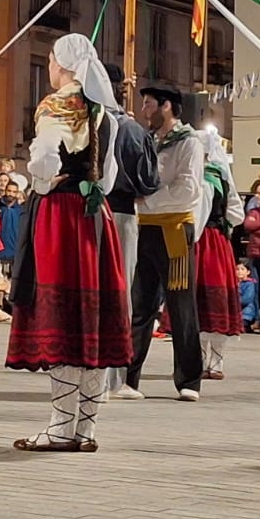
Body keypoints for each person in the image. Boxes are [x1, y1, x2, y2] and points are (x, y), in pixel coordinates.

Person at [6, 34, 131, 453]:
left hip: (60, 218)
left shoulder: (55, 106)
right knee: (90, 321)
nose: (51, 68)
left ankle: (60, 427)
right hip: (96, 218)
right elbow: (108, 177)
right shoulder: (107, 114)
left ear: (63, 64)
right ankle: (86, 429)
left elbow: (43, 159)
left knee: (61, 317)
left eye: (52, 61)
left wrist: (41, 181)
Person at [119, 83, 204, 403]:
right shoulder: (149, 140)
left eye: (150, 104)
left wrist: (146, 200)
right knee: (140, 304)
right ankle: (129, 377)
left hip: (174, 229)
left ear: (167, 106)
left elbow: (188, 189)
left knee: (181, 306)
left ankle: (189, 380)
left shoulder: (189, 142)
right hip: (146, 228)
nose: (145, 111)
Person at [100, 61, 159, 394]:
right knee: (121, 296)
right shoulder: (133, 130)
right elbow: (148, 180)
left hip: (90, 215)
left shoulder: (83, 122)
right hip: (123, 217)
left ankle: (93, 375)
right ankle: (114, 378)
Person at [194, 128, 246, 380]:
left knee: (205, 297)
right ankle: (214, 362)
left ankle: (208, 361)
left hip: (202, 240)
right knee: (210, 298)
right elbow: (237, 213)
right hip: (217, 241)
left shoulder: (201, 177)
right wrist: (225, 226)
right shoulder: (222, 177)